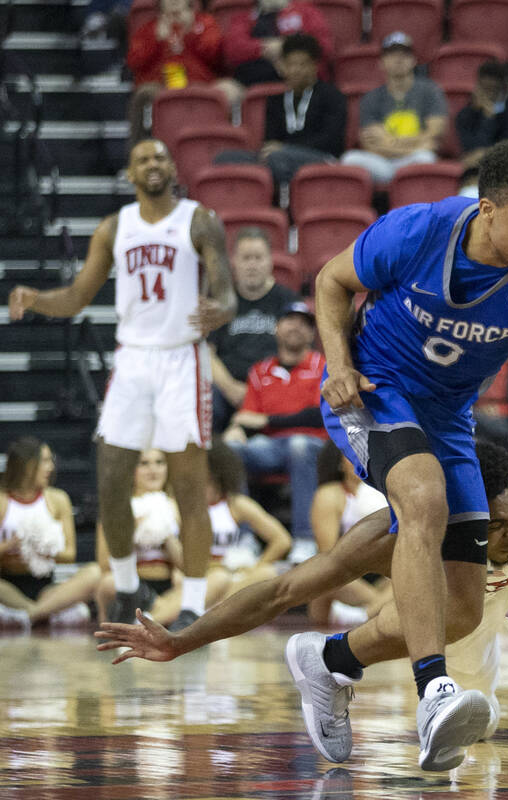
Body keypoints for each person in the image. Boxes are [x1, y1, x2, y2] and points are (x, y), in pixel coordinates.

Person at [95, 440, 508, 758]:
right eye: (489, 524)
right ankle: (325, 659)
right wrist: (181, 641)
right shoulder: (403, 531)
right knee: (475, 706)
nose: (502, 533)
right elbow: (283, 589)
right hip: (457, 602)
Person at [298, 137, 508, 770]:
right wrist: (336, 363)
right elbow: (331, 281)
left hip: (447, 415)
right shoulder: (417, 232)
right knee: (422, 497)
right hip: (374, 389)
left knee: (463, 609)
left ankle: (328, 661)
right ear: (487, 210)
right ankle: (434, 693)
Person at [7, 138, 235, 630]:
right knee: (111, 479)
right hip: (132, 359)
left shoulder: (199, 219)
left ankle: (193, 603)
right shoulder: (115, 227)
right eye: (143, 159)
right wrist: (37, 298)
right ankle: (131, 585)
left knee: (190, 486)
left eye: (160, 157)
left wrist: (222, 311)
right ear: (130, 175)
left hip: (181, 359)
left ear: (173, 167)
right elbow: (77, 296)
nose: (153, 164)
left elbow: (228, 295)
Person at [224, 301, 328, 552]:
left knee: (298, 444)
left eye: (304, 323)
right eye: (290, 321)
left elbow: (319, 415)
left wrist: (268, 421)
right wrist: (237, 429)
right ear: (277, 328)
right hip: (269, 447)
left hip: (314, 445)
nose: (296, 327)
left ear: (312, 333)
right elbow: (248, 417)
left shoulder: (322, 365)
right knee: (230, 448)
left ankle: (305, 538)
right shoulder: (260, 371)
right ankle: (244, 538)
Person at [151, 441, 292, 624]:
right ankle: (196, 612)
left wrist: (254, 568)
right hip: (194, 575)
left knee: (268, 573)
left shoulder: (235, 504)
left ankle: (208, 612)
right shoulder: (176, 503)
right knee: (210, 579)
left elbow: (282, 540)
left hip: (229, 578)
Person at [216, 33, 347, 188]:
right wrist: (276, 150)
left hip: (321, 158)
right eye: (290, 64)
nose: (296, 70)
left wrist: (285, 148)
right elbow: (269, 141)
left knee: (277, 158)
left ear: (314, 65)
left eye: (302, 64)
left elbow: (331, 140)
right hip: (278, 158)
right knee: (225, 158)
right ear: (282, 66)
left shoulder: (332, 96)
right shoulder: (275, 101)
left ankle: (284, 200)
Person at [209, 227, 301, 432]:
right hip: (229, 388)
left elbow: (300, 353)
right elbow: (206, 352)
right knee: (207, 400)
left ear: (270, 261)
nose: (252, 265)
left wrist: (260, 391)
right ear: (234, 262)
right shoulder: (220, 302)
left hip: (276, 386)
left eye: (258, 258)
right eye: (246, 258)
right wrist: (230, 387)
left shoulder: (287, 301)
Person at [0, 438, 88, 629]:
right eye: (45, 461)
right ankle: (41, 612)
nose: (51, 467)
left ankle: (29, 613)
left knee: (94, 573)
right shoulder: (2, 500)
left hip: (45, 587)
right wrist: (9, 547)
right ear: (26, 464)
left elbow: (70, 555)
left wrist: (43, 550)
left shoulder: (57, 499)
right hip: (7, 585)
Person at [340, 31, 448, 182]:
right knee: (349, 158)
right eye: (392, 55)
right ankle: (400, 178)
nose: (398, 59)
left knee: (426, 158)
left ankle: (398, 178)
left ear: (413, 60)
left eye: (404, 55)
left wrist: (390, 141)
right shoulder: (371, 97)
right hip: (383, 161)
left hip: (414, 158)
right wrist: (415, 143)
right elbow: (369, 143)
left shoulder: (430, 90)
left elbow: (435, 134)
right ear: (381, 62)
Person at [93, 448, 184, 623]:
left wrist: (167, 536)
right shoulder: (116, 509)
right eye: (144, 463)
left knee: (205, 582)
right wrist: (130, 530)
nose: (153, 470)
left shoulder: (177, 507)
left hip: (168, 584)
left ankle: (148, 619)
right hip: (132, 585)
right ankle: (163, 614)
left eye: (159, 462)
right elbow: (105, 565)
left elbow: (187, 565)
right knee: (108, 582)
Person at [308, 441, 390, 627]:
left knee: (417, 574)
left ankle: (364, 615)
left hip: (383, 575)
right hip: (346, 576)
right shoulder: (329, 494)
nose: (359, 461)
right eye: (352, 456)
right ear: (339, 462)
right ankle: (382, 609)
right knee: (323, 576)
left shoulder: (389, 492)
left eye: (365, 456)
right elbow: (327, 552)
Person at [125, 0, 228, 145]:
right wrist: (157, 40)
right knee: (143, 94)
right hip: (160, 85)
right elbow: (134, 62)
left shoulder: (205, 23)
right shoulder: (150, 28)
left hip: (202, 84)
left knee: (227, 90)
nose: (174, 2)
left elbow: (216, 56)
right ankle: (137, 152)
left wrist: (190, 33)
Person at [223, 0, 332, 88]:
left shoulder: (306, 11)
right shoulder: (245, 18)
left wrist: (285, 46)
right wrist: (264, 47)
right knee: (226, 89)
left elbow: (324, 46)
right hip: (257, 77)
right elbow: (232, 50)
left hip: (302, 77)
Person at [455, 60, 508, 169]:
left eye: (493, 90)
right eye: (484, 89)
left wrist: (486, 153)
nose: (488, 95)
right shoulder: (466, 113)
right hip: (475, 167)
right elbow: (471, 148)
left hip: (505, 165)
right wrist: (487, 118)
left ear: (502, 91)